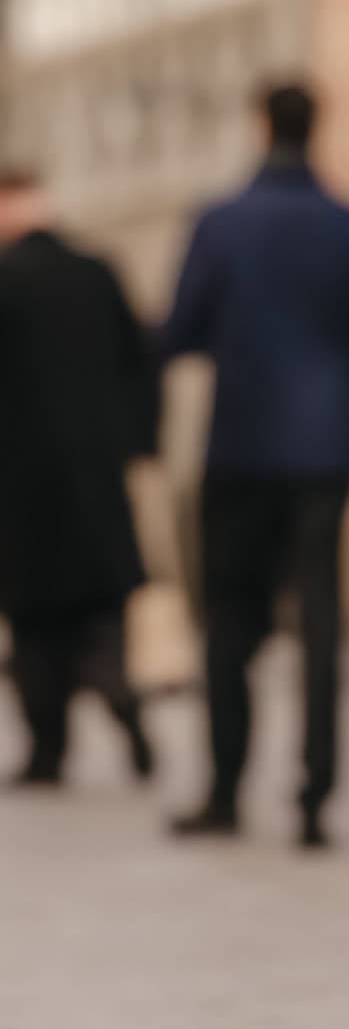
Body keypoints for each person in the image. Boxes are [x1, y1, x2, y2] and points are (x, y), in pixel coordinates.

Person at [157, 80, 349, 849]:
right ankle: (313, 796)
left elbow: (180, 331)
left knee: (230, 624)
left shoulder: (220, 222)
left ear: (261, 124)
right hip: (325, 448)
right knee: (323, 625)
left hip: (239, 447)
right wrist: (341, 384)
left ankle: (226, 790)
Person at [0, 168, 159, 789]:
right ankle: (118, 691)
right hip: (96, 475)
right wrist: (137, 446)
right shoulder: (97, 272)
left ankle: (49, 751)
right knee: (101, 611)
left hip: (22, 485)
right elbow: (142, 362)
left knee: (37, 625)